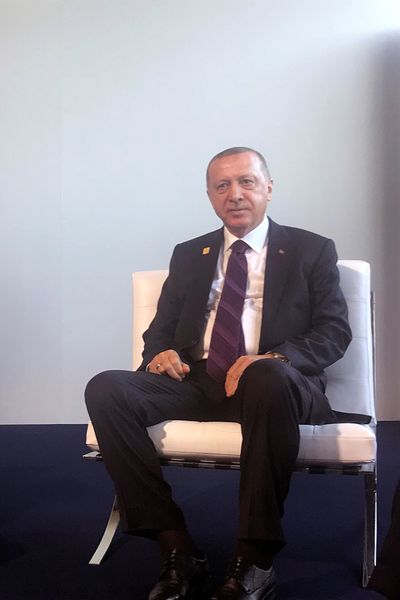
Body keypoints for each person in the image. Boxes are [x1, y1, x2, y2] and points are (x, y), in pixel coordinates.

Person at [85, 147, 369, 600]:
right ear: (210, 195)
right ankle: (176, 547)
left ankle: (254, 558)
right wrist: (160, 354)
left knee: (265, 378)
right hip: (200, 380)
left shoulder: (310, 249)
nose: (234, 194)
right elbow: (157, 332)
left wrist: (272, 359)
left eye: (247, 182)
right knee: (106, 388)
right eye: (222, 186)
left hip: (279, 384)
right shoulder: (190, 253)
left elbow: (334, 333)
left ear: (269, 189)